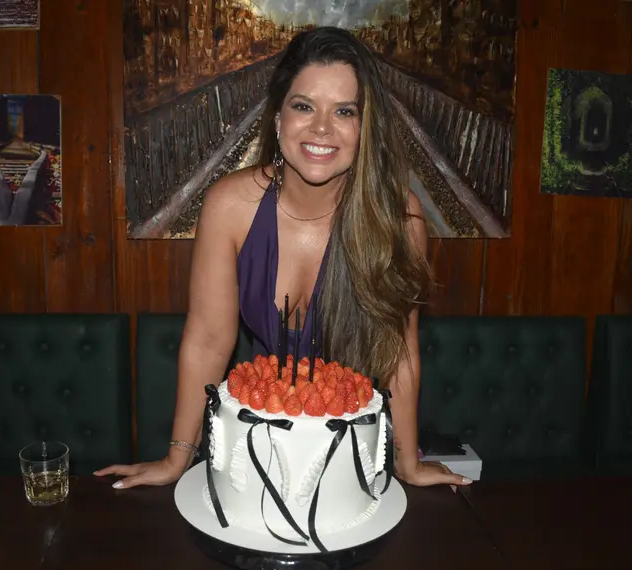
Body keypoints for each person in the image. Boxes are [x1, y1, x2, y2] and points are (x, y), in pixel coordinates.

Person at [96, 26, 471, 490]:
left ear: (363, 126)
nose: (321, 128)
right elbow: (209, 341)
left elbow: (400, 353)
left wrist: (407, 464)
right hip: (256, 446)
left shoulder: (400, 215)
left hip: (353, 451)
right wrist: (176, 459)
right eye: (303, 106)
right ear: (278, 117)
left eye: (344, 111)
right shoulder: (229, 207)